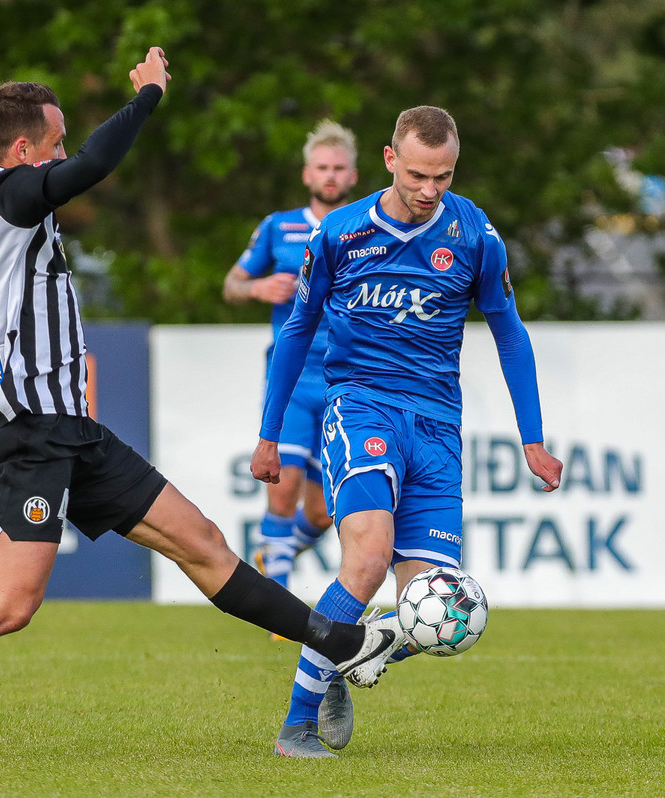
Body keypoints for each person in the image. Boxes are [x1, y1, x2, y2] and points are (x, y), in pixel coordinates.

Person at [0, 47, 392, 764]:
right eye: (53, 142)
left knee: (200, 542)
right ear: (23, 153)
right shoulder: (15, 195)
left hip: (67, 427)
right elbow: (95, 165)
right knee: (8, 604)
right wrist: (147, 97)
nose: (63, 153)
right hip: (32, 429)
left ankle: (343, 645)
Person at [250, 105, 563, 758]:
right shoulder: (340, 232)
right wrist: (269, 434)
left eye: (443, 177)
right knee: (367, 557)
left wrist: (532, 437)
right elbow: (297, 330)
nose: (429, 190)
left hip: (438, 428)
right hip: (361, 407)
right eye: (418, 175)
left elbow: (509, 333)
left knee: (439, 609)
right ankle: (296, 726)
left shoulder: (475, 234)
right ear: (390, 159)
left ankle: (341, 654)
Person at [223, 121, 358, 599]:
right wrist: (258, 287)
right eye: (322, 167)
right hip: (294, 380)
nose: (330, 175)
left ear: (353, 176)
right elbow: (232, 284)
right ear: (307, 174)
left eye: (338, 168)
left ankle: (273, 553)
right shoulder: (278, 227)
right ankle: (277, 605)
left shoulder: (367, 227)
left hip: (347, 380)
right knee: (282, 489)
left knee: (321, 513)